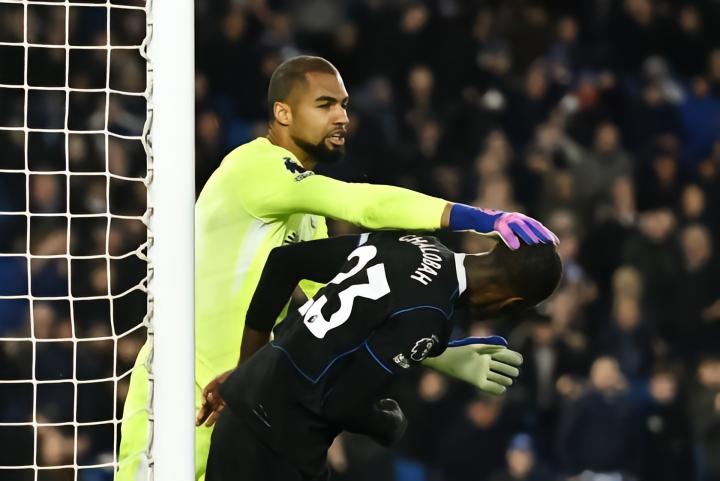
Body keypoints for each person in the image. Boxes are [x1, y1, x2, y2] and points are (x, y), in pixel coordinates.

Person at [117, 55, 557, 481]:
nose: (342, 117)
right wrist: (480, 218)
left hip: (234, 399)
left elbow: (341, 313)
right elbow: (362, 203)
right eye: (325, 105)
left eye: (344, 105)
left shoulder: (305, 211)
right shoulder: (255, 169)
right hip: (178, 386)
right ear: (283, 113)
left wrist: (441, 354)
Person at [197, 231, 562, 481]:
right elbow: (342, 404)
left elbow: (284, 262)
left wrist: (248, 373)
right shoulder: (431, 316)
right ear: (511, 302)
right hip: (277, 446)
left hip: (248, 421)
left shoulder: (411, 242)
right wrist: (389, 424)